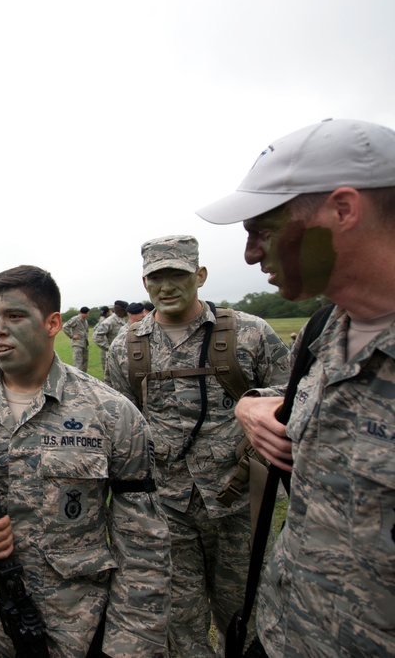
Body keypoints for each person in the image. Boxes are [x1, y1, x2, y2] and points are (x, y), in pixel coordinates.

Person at [196, 118, 395, 657]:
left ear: (343, 210)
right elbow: (292, 396)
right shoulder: (323, 332)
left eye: (264, 228)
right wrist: (247, 405)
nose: (250, 254)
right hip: (288, 632)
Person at [0, 265, 171, 656]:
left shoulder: (109, 412)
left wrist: (132, 645)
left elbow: (143, 542)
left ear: (53, 323)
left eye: (15, 316)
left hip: (74, 625)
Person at [105, 235, 290, 657]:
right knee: (180, 623)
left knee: (246, 615)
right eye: (157, 277)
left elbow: (293, 393)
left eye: (178, 275)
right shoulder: (127, 347)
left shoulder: (249, 333)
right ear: (145, 282)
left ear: (200, 275)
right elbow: (122, 425)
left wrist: (257, 405)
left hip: (238, 503)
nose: (167, 286)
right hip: (166, 511)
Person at [93, 300, 128, 365]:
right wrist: (109, 348)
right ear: (121, 310)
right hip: (113, 355)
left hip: (122, 353)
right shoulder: (109, 321)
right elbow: (96, 336)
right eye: (126, 310)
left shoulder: (122, 319)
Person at [62, 305, 91, 372]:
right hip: (77, 344)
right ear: (85, 313)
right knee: (78, 363)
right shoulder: (75, 319)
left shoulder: (85, 321)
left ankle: (84, 379)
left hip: (84, 344)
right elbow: (65, 327)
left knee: (85, 363)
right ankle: (77, 379)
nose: (88, 314)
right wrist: (72, 336)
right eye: (88, 313)